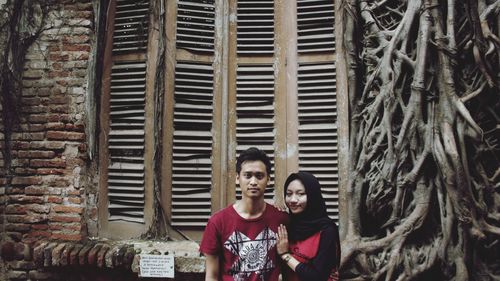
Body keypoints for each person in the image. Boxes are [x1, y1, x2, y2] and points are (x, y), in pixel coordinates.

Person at [199, 147, 289, 281]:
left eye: (259, 176)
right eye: (247, 175)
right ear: (237, 178)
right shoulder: (217, 222)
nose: (253, 182)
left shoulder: (281, 219)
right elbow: (211, 275)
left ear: (268, 180)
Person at [276, 172, 340, 281]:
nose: (293, 200)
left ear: (312, 196)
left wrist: (285, 255)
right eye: (289, 194)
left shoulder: (327, 230)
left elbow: (317, 277)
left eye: (300, 194)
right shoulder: (287, 224)